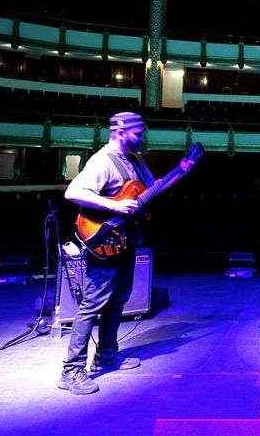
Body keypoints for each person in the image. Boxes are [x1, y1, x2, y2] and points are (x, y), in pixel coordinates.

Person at [58, 112, 194, 395]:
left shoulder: (135, 159)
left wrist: (180, 171)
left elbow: (152, 189)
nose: (143, 138)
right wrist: (114, 206)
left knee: (118, 299)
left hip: (125, 239)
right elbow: (73, 192)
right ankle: (71, 370)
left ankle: (106, 354)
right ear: (121, 132)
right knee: (92, 304)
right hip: (102, 237)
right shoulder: (102, 161)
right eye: (138, 133)